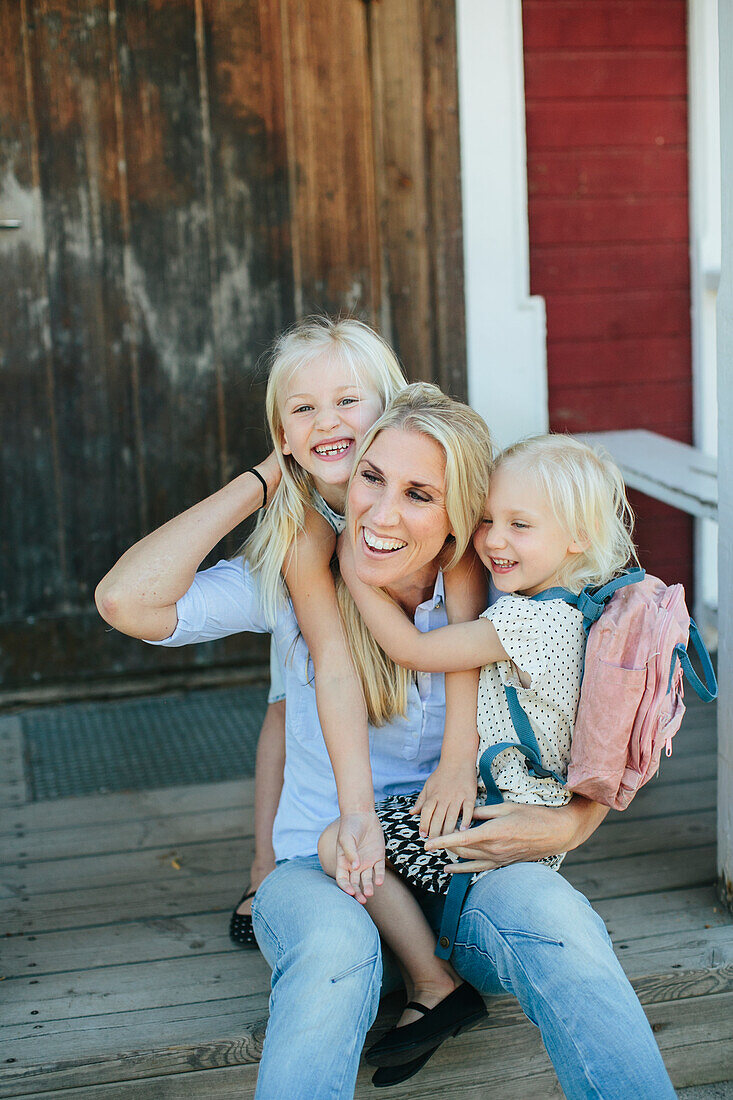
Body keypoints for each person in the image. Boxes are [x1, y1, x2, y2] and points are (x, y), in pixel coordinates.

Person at [96, 383, 676, 1099]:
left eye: (419, 495)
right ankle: (418, 977)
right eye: (371, 477)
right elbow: (126, 602)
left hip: (461, 861)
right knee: (334, 953)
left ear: (462, 514)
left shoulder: (507, 585)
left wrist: (571, 821)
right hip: (321, 865)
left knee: (559, 922)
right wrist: (270, 473)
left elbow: (618, 716)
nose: (381, 512)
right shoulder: (297, 573)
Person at [319, 434, 640, 1077]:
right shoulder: (561, 605)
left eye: (520, 525)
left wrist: (352, 569)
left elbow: (412, 649)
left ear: (576, 537)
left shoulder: (533, 622)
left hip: (495, 823)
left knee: (339, 844)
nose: (492, 540)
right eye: (488, 519)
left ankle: (434, 983)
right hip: (515, 816)